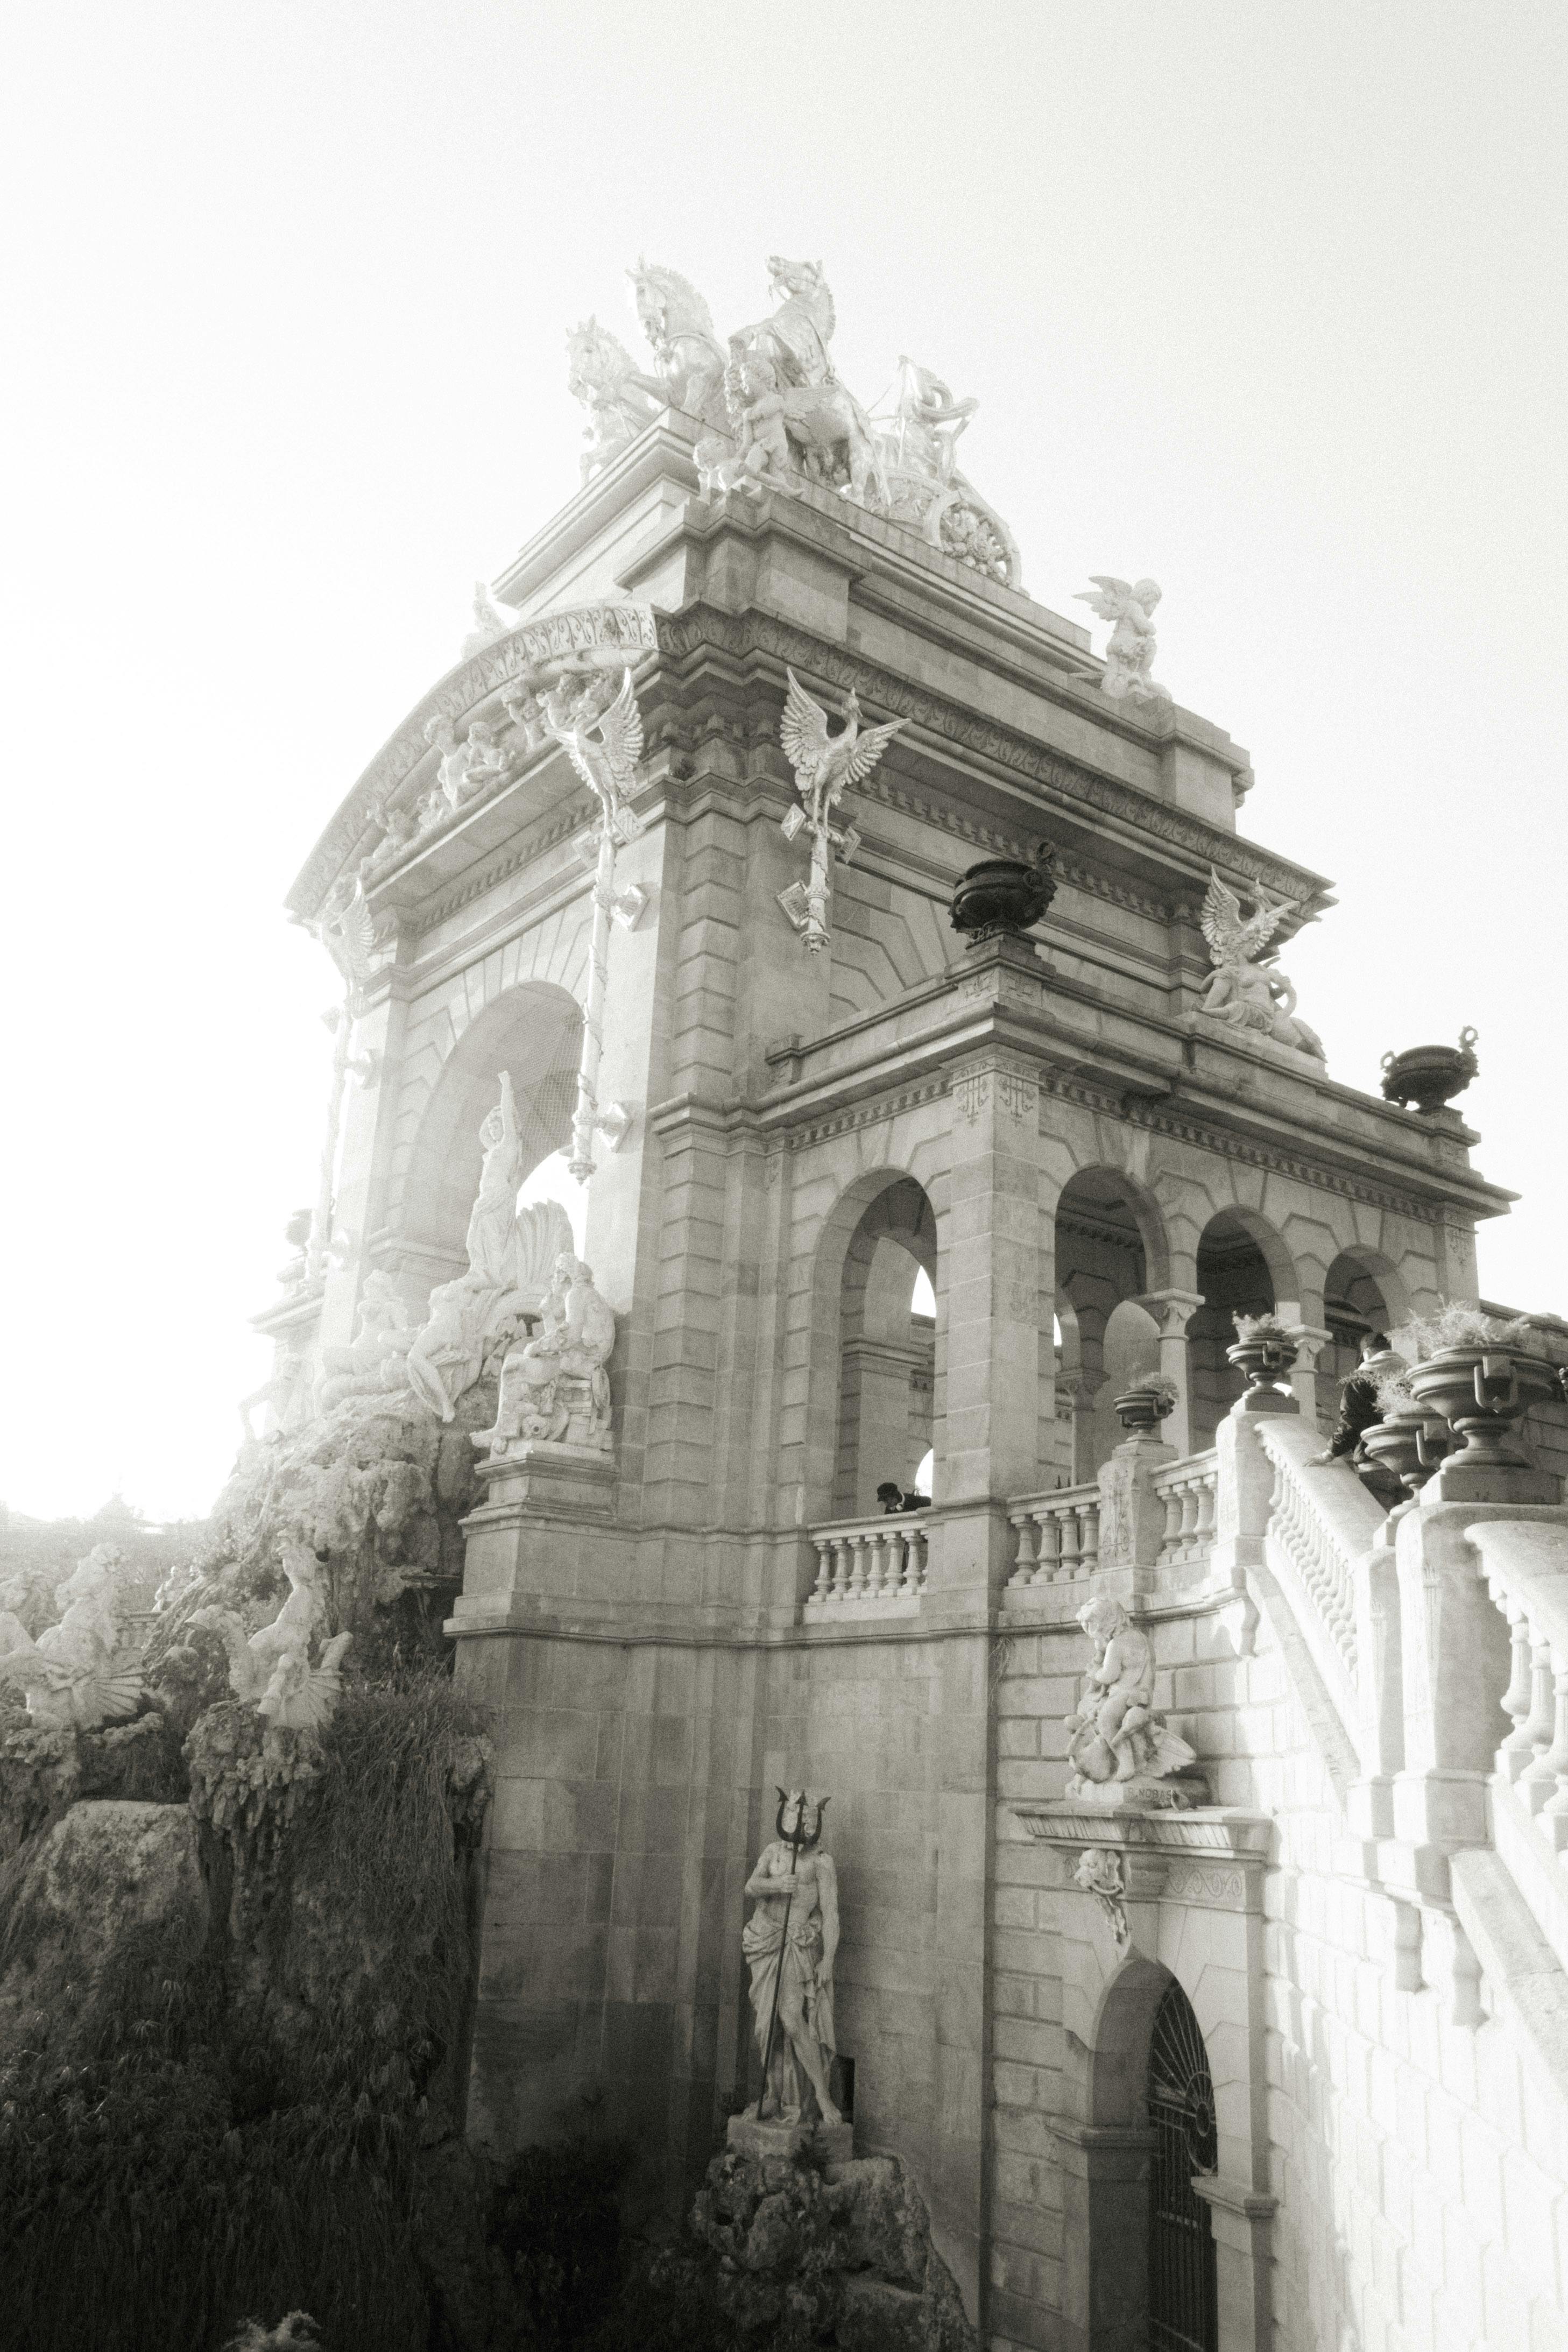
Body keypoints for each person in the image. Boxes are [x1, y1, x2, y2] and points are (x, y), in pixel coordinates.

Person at [1309, 1332, 1403, 1468]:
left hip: (1374, 1456)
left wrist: (1330, 1453)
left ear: (1367, 1353)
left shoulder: (1361, 1379)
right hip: (1412, 1453)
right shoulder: (1409, 1376)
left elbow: (1351, 1420)